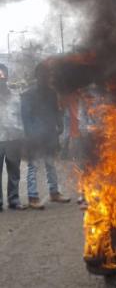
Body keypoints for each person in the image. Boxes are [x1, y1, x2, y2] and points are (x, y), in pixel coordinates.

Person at [21, 62, 71, 209]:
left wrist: (60, 124)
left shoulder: (51, 93)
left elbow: (56, 111)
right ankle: (33, 197)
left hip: (49, 135)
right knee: (33, 166)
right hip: (35, 137)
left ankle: (54, 193)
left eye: (48, 74)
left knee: (51, 165)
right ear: (37, 76)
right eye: (43, 74)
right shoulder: (27, 95)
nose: (46, 77)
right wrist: (31, 137)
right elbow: (26, 118)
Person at [0, 64, 27, 211]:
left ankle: (14, 200)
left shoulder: (15, 97)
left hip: (13, 140)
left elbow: (21, 118)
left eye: (2, 76)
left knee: (14, 172)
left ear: (7, 77)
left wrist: (22, 137)